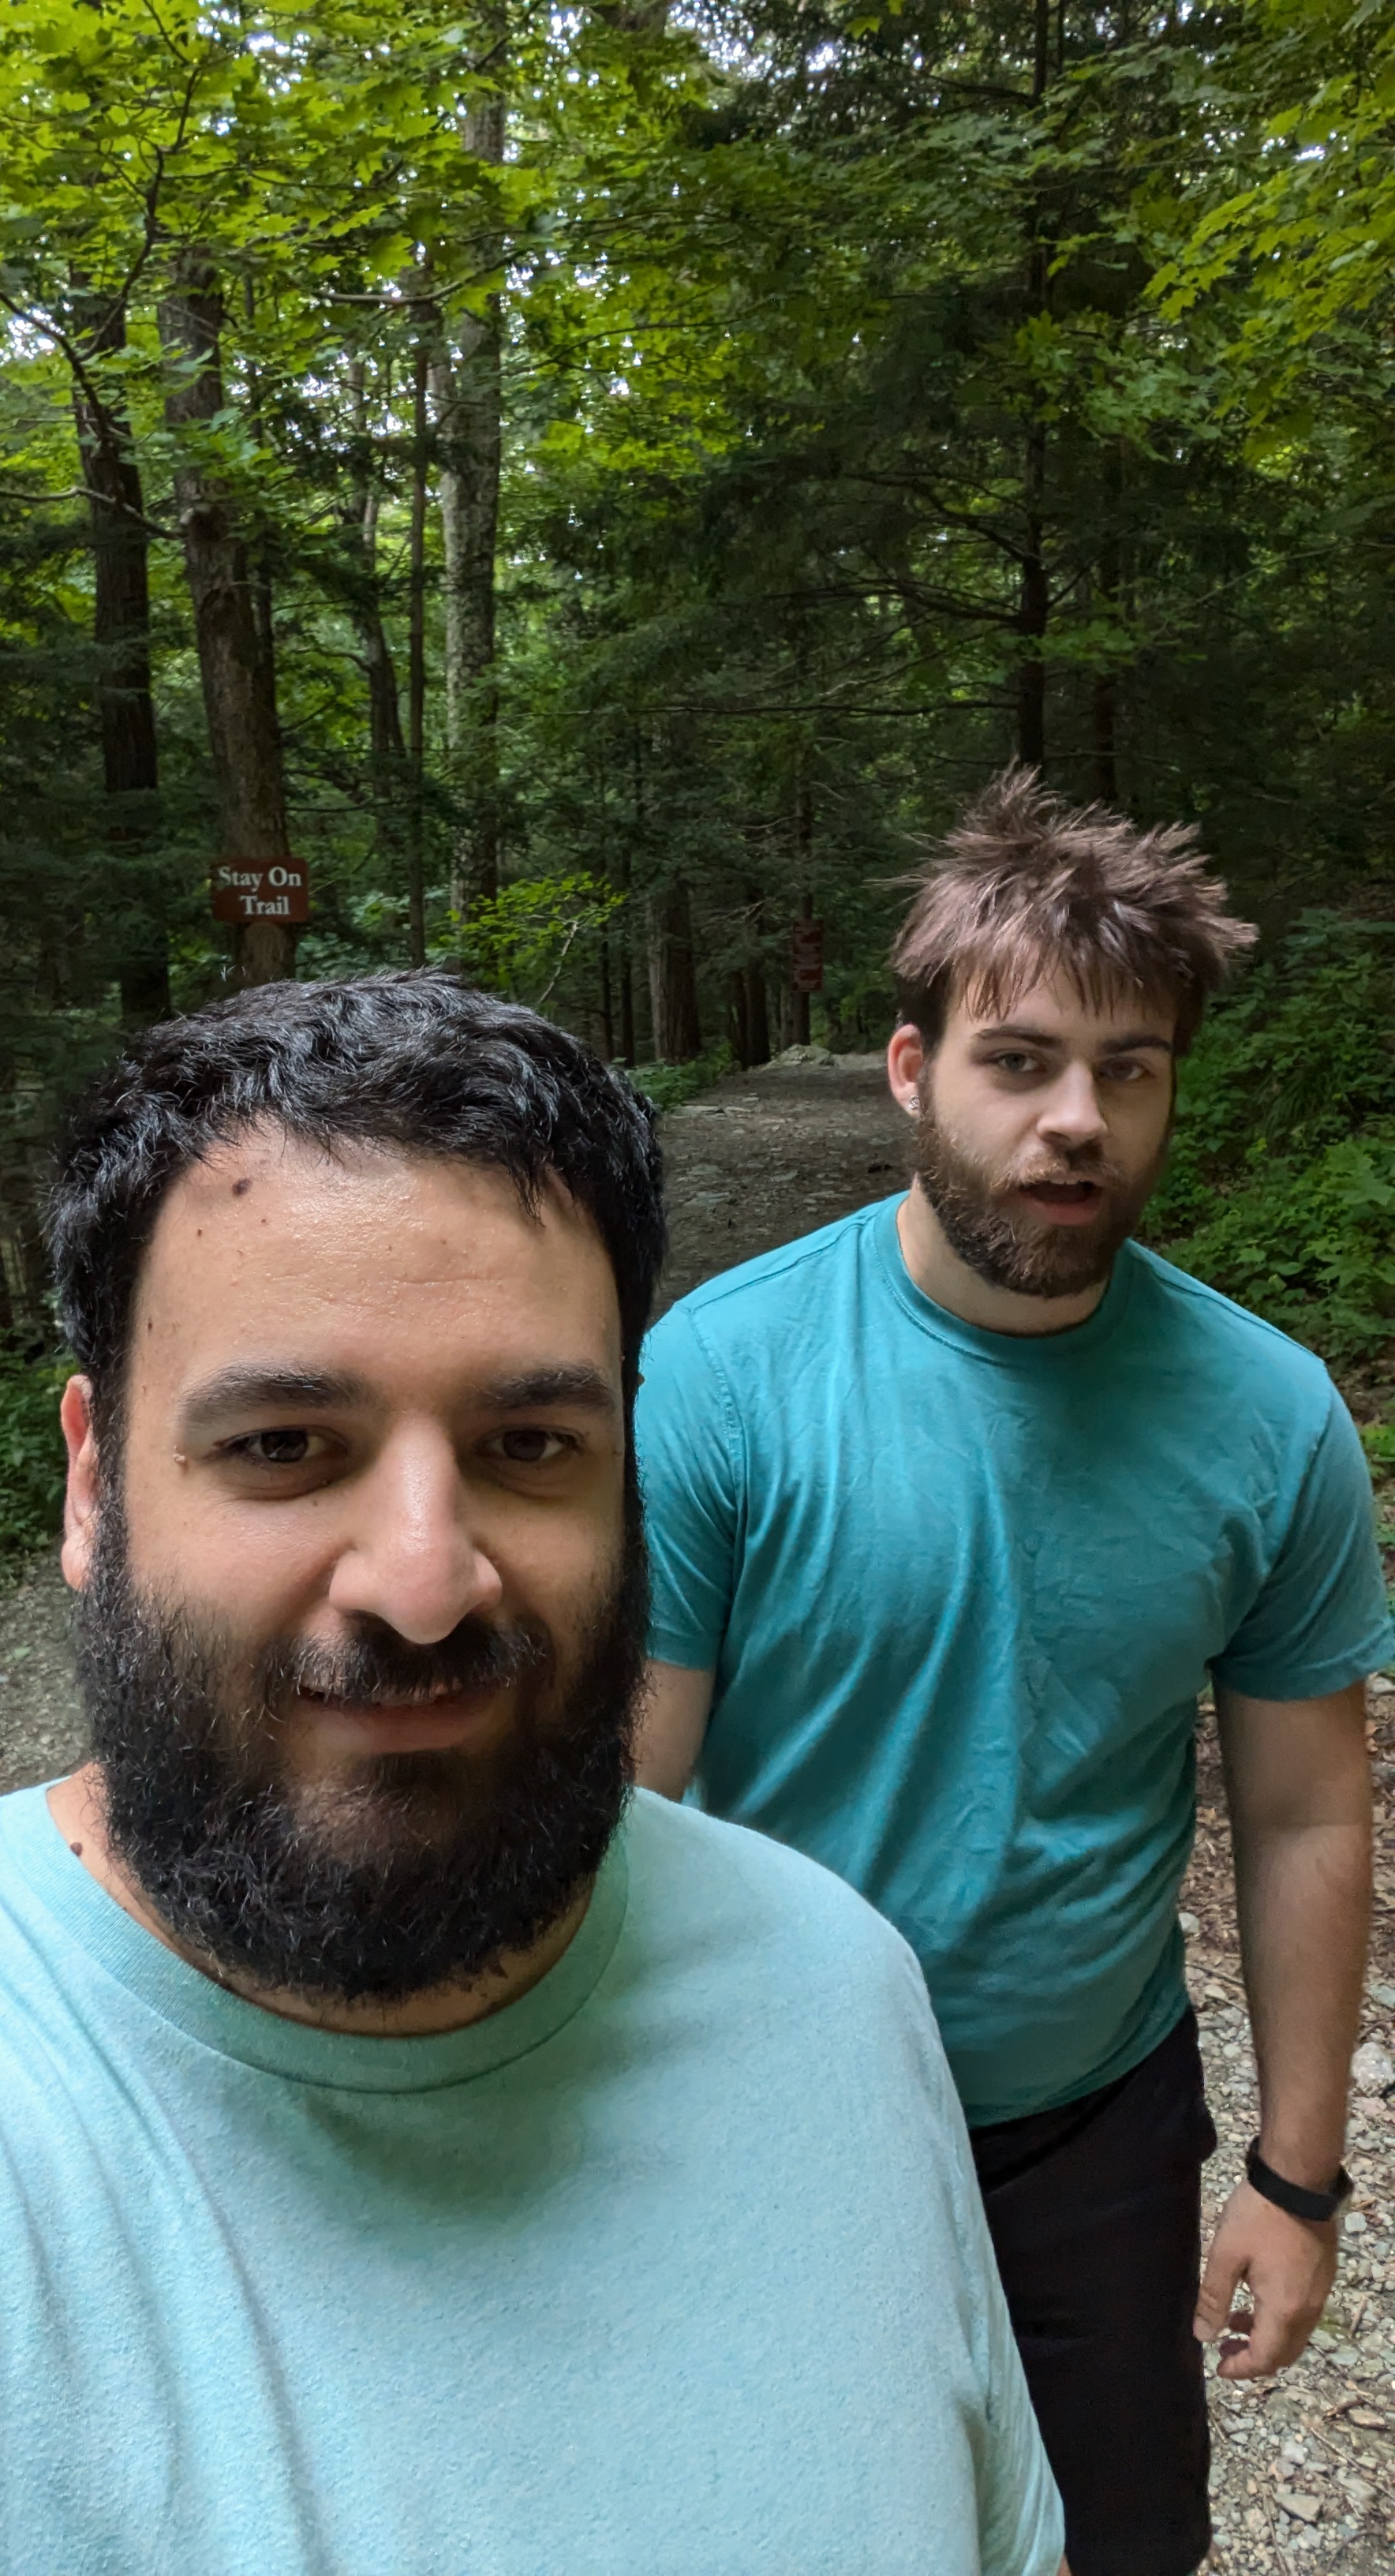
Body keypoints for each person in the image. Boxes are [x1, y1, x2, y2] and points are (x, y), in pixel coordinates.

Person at [0, 975, 1064, 2576]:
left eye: (531, 1444)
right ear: (90, 1485)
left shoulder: (840, 1991)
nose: (424, 1581)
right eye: (282, 1445)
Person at [634, 772, 1394, 2576]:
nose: (1077, 1119)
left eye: (1129, 1071)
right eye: (1022, 1061)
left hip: (1097, 2126)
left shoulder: (1269, 1416)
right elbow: (620, 1815)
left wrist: (1296, 2178)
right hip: (770, 2113)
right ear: (913, 1073)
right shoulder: (720, 1382)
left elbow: (1302, 1813)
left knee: (1126, 2542)